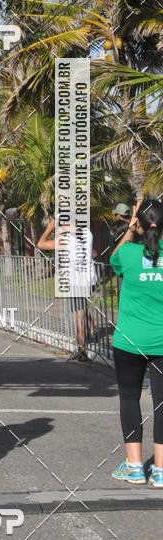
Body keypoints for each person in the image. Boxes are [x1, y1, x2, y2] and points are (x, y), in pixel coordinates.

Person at [109, 199, 163, 488]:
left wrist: (131, 230)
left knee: (130, 399)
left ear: (138, 224)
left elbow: (113, 260)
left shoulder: (128, 253)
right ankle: (161, 471)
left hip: (129, 341)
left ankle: (134, 468)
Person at [37, 217, 97, 362]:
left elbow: (40, 244)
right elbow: (94, 253)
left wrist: (50, 227)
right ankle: (92, 331)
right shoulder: (87, 233)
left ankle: (81, 349)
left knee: (78, 315)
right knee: (83, 307)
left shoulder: (65, 240)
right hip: (90, 278)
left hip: (77, 282)